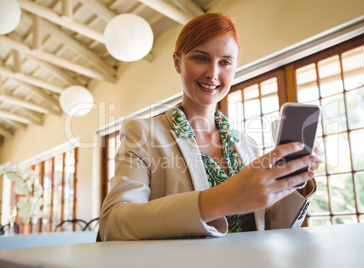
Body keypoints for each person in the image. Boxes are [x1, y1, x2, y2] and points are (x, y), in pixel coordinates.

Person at [99, 13, 321, 241]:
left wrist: (295, 182)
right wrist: (219, 200)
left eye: (225, 62)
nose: (213, 74)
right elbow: (113, 224)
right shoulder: (143, 133)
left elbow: (273, 226)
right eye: (201, 58)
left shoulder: (246, 145)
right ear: (177, 62)